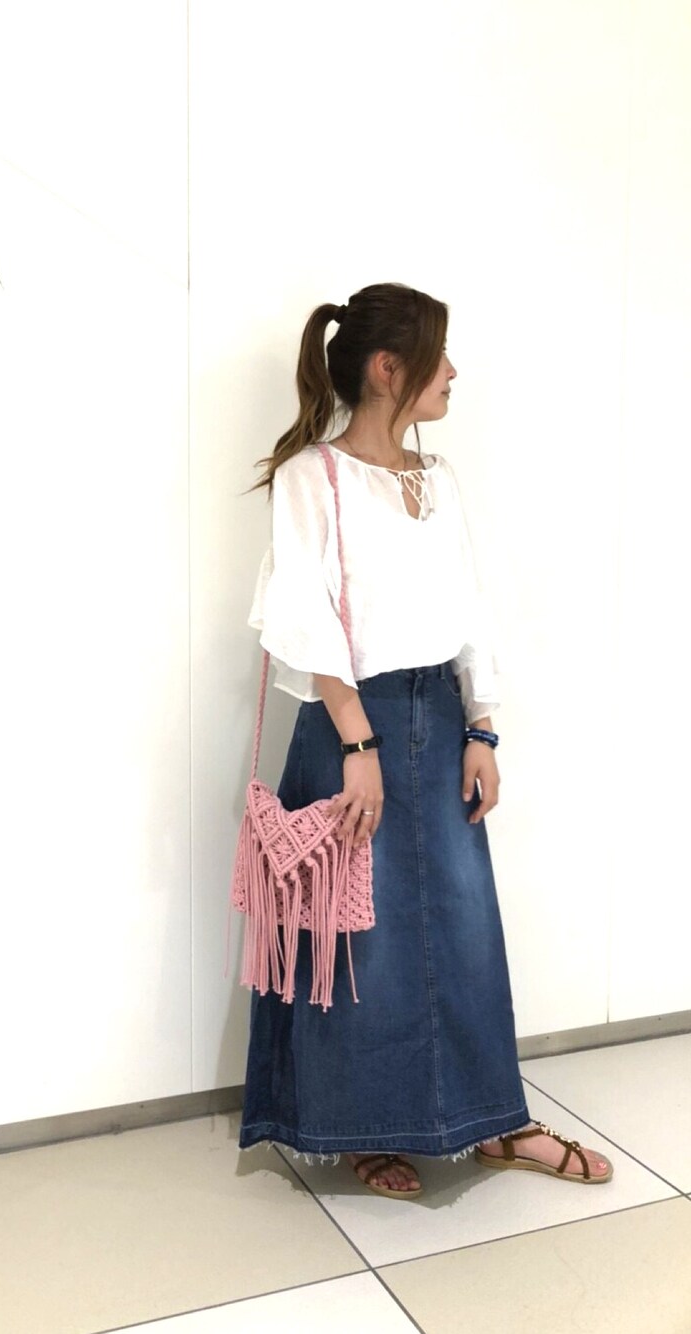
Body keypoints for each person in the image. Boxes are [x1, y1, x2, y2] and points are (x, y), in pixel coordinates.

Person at [237, 282, 613, 1198]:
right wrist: (358, 746)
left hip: (439, 722)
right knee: (354, 936)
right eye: (438, 355)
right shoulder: (313, 477)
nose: (453, 372)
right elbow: (305, 616)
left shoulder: (437, 479)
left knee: (463, 924)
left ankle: (496, 1122)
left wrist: (481, 725)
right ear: (386, 368)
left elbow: (467, 605)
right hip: (351, 726)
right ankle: (361, 1127)